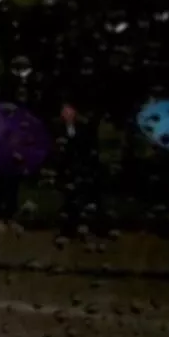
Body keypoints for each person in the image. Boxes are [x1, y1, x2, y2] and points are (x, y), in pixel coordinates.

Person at [55, 102, 104, 238]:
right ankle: (68, 228)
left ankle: (88, 227)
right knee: (68, 199)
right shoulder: (58, 128)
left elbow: (88, 146)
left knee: (85, 197)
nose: (67, 114)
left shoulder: (83, 128)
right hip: (66, 168)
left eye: (69, 111)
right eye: (64, 112)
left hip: (81, 167)